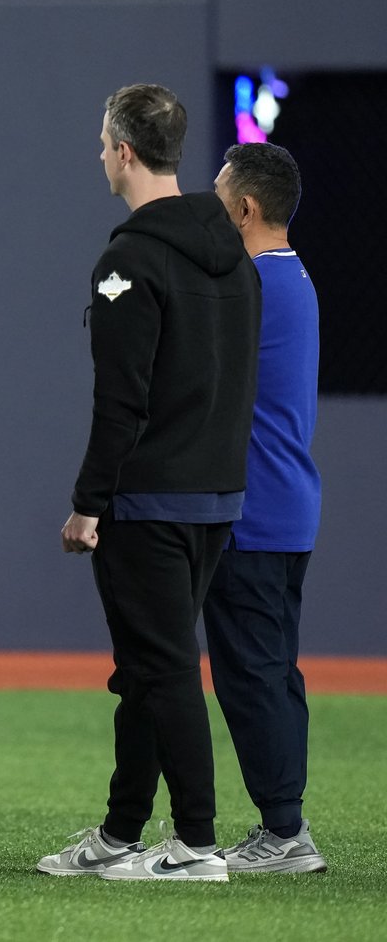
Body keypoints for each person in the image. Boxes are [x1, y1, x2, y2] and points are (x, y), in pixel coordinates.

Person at [40, 84, 260, 883]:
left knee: (163, 668)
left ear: (124, 152)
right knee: (146, 666)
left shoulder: (128, 259)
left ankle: (197, 845)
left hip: (149, 502)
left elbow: (121, 401)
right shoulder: (234, 249)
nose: (101, 157)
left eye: (104, 145)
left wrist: (88, 502)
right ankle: (121, 832)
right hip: (215, 496)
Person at [206, 142, 326, 874]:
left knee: (253, 675)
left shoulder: (251, 283)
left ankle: (284, 834)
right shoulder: (293, 277)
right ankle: (285, 826)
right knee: (274, 671)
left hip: (253, 510)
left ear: (245, 207)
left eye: (218, 196)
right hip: (286, 504)